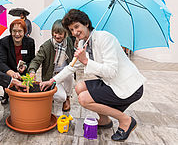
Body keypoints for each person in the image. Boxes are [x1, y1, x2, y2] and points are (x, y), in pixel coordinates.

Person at [40, 9, 145, 141]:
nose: (74, 32)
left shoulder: (105, 38)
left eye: (77, 27)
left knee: (84, 99)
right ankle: (104, 120)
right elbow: (71, 67)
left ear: (86, 24)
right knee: (79, 87)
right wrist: (52, 81)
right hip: (110, 82)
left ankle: (126, 120)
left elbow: (111, 71)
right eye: (71, 30)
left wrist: (85, 60)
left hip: (129, 86)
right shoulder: (84, 43)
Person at [28, 20, 75, 111]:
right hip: (52, 76)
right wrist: (32, 71)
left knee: (70, 73)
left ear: (65, 34)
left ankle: (68, 98)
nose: (57, 36)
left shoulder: (68, 42)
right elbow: (36, 60)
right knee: (61, 97)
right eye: (55, 33)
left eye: (60, 34)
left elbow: (73, 54)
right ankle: (55, 95)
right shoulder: (46, 46)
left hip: (64, 73)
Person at [0, 19, 35, 104]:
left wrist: (26, 67)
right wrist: (12, 73)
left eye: (20, 31)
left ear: (24, 31)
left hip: (24, 72)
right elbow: (1, 63)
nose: (17, 34)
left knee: (25, 92)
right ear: (11, 32)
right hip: (9, 71)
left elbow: (32, 60)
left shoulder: (30, 42)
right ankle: (6, 94)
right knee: (8, 84)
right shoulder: (4, 42)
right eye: (14, 31)